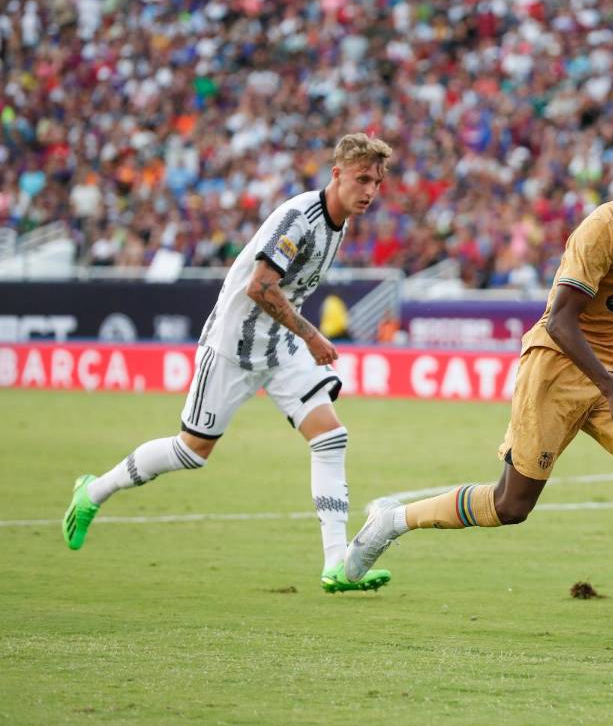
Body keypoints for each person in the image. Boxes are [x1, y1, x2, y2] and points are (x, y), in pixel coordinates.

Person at [343, 151, 613, 654]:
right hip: (557, 366)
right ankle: (394, 520)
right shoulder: (602, 229)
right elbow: (560, 319)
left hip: (609, 370)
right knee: (510, 505)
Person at [62, 134, 396, 594]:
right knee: (191, 451)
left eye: (377, 182)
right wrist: (313, 334)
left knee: (330, 438)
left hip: (279, 346)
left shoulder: (337, 225)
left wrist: (300, 338)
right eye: (361, 179)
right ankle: (93, 492)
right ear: (336, 174)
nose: (369, 191)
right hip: (232, 348)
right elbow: (258, 287)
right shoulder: (300, 218)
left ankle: (337, 564)